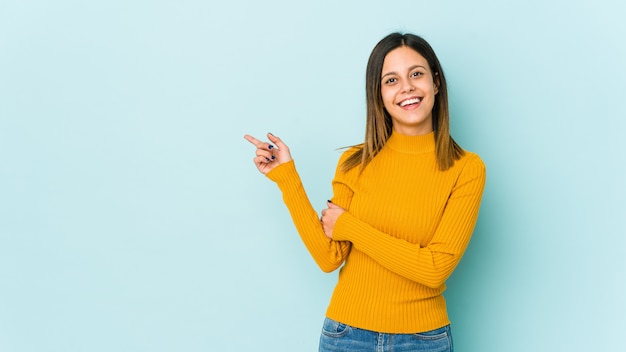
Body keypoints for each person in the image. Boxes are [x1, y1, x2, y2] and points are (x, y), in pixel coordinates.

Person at [244, 32, 486, 352]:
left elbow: (434, 268)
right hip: (346, 336)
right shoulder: (353, 163)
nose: (407, 88)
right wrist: (286, 177)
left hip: (424, 340)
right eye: (391, 80)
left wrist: (350, 226)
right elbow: (329, 257)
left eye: (416, 74)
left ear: (436, 82)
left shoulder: (466, 169)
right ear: (379, 94)